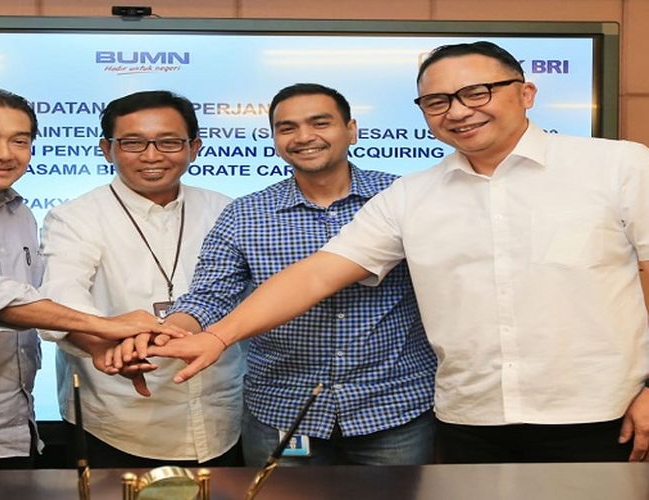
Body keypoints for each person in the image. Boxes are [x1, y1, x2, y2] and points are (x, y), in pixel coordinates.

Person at [145, 42, 649, 464]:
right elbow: (318, 274)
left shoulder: (617, 166)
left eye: (477, 92)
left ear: (526, 93)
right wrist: (217, 336)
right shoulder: (411, 195)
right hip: (471, 419)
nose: (458, 111)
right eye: (437, 101)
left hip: (602, 414)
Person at [123, 83, 437, 466]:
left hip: (394, 406)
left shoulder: (400, 198)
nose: (304, 137)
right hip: (284, 409)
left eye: (320, 123)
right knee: (275, 495)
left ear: (351, 130)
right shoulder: (245, 214)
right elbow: (209, 297)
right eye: (287, 128)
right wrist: (167, 334)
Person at [0, 88, 176, 471]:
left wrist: (97, 346)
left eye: (20, 141)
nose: (4, 153)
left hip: (11, 430)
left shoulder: (17, 211)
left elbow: (39, 301)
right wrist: (106, 325)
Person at [39, 91, 245, 468]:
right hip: (116, 420)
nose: (151, 156)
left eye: (169, 142)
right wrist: (108, 343)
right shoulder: (75, 217)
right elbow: (62, 297)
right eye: (133, 143)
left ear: (194, 147)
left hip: (220, 415)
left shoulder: (226, 210)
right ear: (107, 149)